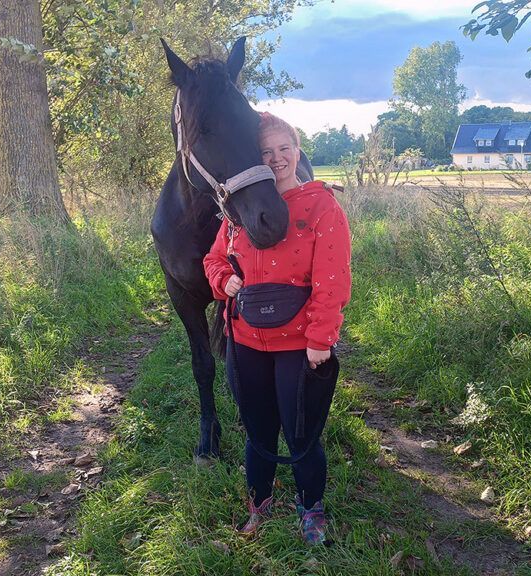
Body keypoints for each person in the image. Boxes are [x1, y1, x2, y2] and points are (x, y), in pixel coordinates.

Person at [203, 112, 352, 545]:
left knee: (302, 432)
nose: (277, 158)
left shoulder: (322, 206)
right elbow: (213, 259)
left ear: (297, 152)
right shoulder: (239, 211)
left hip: (299, 346)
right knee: (258, 431)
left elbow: (332, 279)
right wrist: (223, 280)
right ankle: (260, 503)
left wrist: (321, 340)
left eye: (284, 149)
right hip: (246, 342)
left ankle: (311, 510)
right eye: (266, 152)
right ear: (257, 160)